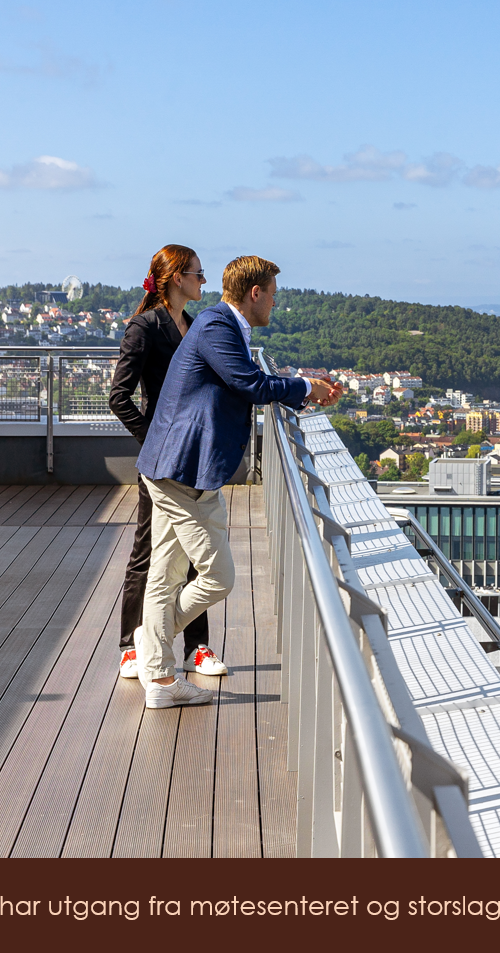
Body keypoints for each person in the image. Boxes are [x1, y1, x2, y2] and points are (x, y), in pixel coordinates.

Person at [133, 255, 342, 708]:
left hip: (180, 469)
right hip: (180, 472)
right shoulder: (215, 327)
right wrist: (306, 387)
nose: (274, 303)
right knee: (219, 577)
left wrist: (303, 390)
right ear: (255, 293)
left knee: (165, 575)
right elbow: (249, 383)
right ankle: (153, 646)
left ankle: (160, 677)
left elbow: (246, 382)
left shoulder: (221, 327)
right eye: (272, 294)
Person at [107, 244, 227, 682]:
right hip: (161, 459)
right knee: (145, 551)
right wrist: (152, 442)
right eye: (198, 274)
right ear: (177, 277)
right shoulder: (145, 328)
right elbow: (118, 398)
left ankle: (196, 648)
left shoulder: (192, 327)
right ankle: (130, 647)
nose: (203, 281)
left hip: (191, 456)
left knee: (195, 555)